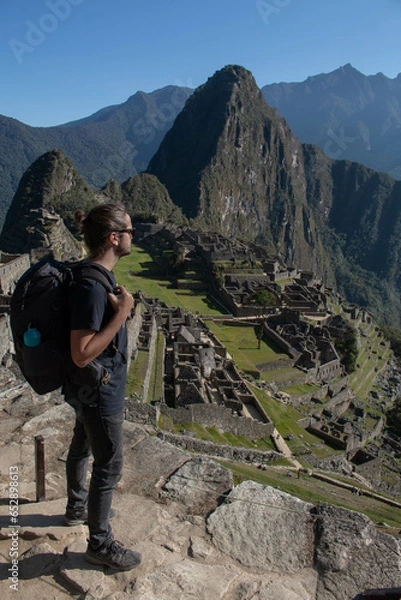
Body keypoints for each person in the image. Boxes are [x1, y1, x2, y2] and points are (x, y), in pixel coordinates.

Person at [62, 202, 141, 572]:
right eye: (129, 232)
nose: (132, 237)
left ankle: (76, 507)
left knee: (81, 446)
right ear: (114, 238)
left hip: (85, 389)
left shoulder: (88, 274)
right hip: (99, 391)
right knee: (109, 465)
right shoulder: (93, 287)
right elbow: (81, 352)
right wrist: (123, 313)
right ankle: (99, 543)